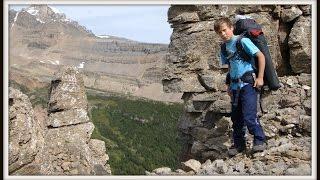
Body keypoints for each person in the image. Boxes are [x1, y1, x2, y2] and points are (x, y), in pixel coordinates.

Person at [214, 17, 266, 156]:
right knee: (236, 118)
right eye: (220, 32)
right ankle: (239, 145)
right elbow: (231, 66)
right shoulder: (224, 47)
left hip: (248, 84)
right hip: (235, 86)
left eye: (225, 30)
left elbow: (260, 56)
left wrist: (260, 77)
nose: (223, 34)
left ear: (231, 28)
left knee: (249, 116)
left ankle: (259, 140)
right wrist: (229, 85)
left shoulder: (242, 41)